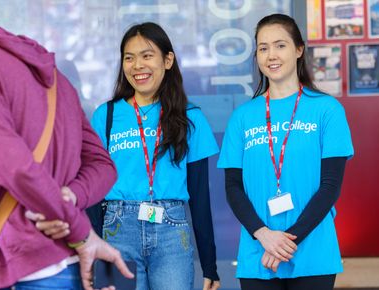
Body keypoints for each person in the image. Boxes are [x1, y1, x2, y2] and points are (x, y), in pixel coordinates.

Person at [0, 1, 133, 289]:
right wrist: (69, 198)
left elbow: (15, 167)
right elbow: (103, 166)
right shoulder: (52, 75)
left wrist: (79, 230)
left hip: (9, 266)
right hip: (65, 268)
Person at [217, 14, 354, 290]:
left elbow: (330, 187)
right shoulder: (242, 116)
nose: (271, 55)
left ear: (299, 49)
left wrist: (284, 242)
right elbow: (233, 187)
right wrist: (264, 236)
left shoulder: (327, 110)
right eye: (263, 48)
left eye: (280, 45)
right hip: (258, 252)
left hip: (313, 252)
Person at [90, 22, 221, 290]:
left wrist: (210, 264)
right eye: (129, 57)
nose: (137, 65)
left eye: (147, 55)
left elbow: (200, 196)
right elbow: (93, 191)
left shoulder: (190, 117)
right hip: (117, 230)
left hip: (172, 232)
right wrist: (93, 252)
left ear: (168, 60)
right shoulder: (106, 116)